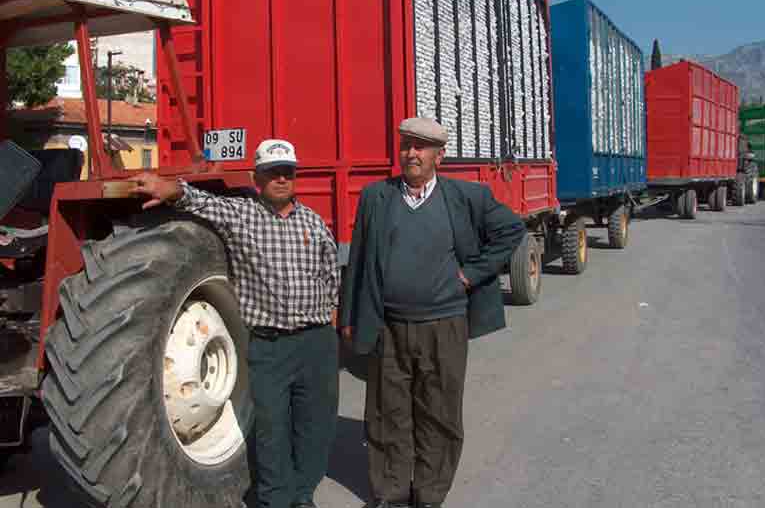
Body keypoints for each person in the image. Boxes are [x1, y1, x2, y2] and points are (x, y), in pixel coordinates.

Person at [130, 139, 340, 508]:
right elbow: (201, 202)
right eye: (273, 172)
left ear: (295, 176)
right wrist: (172, 188)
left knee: (315, 427)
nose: (281, 178)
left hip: (316, 343)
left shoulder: (313, 222)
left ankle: (303, 495)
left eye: (287, 172)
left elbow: (329, 276)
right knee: (272, 431)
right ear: (257, 177)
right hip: (270, 346)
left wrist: (330, 323)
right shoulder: (242, 215)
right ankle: (275, 500)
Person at [339, 117, 526, 508]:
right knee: (388, 413)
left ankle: (429, 494)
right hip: (389, 324)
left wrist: (471, 274)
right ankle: (391, 494)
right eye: (406, 145)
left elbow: (511, 230)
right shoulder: (377, 197)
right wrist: (350, 316)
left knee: (438, 413)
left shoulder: (465, 197)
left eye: (421, 147)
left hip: (445, 326)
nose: (411, 153)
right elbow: (358, 260)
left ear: (438, 156)